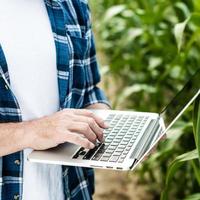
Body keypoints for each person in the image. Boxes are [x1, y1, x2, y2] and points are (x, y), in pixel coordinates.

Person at [0, 0, 110, 199]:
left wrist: (116, 129)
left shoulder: (73, 5)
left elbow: (89, 91)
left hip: (71, 190)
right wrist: (31, 132)